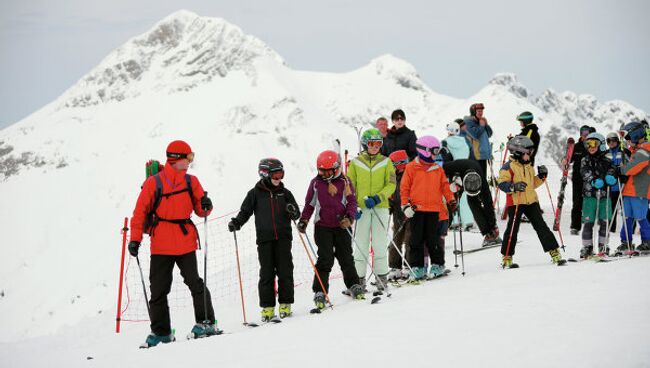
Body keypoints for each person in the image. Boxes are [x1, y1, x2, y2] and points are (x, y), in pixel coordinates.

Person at [128, 140, 216, 347]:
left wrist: (206, 206)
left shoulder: (191, 182)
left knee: (195, 282)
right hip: (161, 244)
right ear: (175, 159)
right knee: (158, 290)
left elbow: (200, 210)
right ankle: (161, 333)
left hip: (185, 241)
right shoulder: (154, 183)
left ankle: (206, 323)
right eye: (189, 157)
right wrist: (135, 239)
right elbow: (139, 213)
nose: (190, 161)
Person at [228, 158, 300, 321]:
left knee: (285, 271)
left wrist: (292, 210)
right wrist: (236, 223)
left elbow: (296, 214)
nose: (278, 178)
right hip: (265, 239)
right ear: (265, 174)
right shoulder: (255, 193)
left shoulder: (285, 193)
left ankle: (285, 304)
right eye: (275, 175)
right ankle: (267, 308)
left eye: (281, 174)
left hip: (283, 238)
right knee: (267, 273)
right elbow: (245, 212)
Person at [298, 150, 365, 311]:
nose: (326, 174)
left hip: (342, 226)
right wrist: (304, 220)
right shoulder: (316, 183)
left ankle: (353, 285)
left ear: (336, 168)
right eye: (322, 171)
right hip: (323, 227)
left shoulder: (345, 182)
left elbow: (352, 203)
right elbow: (309, 204)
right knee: (325, 259)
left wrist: (349, 218)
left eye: (329, 171)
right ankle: (320, 291)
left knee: (346, 257)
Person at [497, 136, 566, 267]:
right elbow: (501, 184)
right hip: (516, 202)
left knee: (541, 226)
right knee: (512, 229)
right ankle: (507, 257)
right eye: (528, 152)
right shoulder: (508, 167)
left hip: (531, 201)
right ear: (519, 152)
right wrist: (513, 187)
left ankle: (554, 252)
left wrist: (541, 177)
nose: (530, 155)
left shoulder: (528, 166)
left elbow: (531, 184)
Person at [400, 135, 456, 280]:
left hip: (433, 210)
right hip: (416, 210)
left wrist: (451, 200)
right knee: (415, 240)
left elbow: (445, 186)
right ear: (424, 150)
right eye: (434, 151)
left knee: (433, 239)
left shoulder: (437, 169)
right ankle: (417, 267)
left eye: (438, 152)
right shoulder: (411, 168)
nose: (436, 155)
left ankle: (438, 264)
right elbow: (404, 188)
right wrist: (405, 205)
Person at [347, 128, 396, 290]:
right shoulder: (355, 163)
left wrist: (378, 198)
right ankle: (358, 280)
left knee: (379, 243)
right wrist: (352, 206)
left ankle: (382, 278)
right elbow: (349, 186)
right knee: (360, 244)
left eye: (378, 143)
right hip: (361, 209)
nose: (375, 146)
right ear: (365, 144)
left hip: (380, 207)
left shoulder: (386, 161)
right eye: (372, 143)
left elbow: (391, 185)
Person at [442, 159, 502, 246]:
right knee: (450, 205)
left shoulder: (482, 181)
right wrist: (450, 182)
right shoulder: (453, 166)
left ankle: (490, 234)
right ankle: (440, 234)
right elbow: (438, 169)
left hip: (471, 177)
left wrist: (494, 225)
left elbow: (488, 204)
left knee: (473, 202)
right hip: (456, 180)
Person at [578, 133, 617, 258]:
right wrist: (593, 180)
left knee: (604, 221)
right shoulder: (585, 159)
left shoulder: (607, 159)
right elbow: (584, 172)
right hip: (590, 195)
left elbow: (613, 169)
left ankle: (603, 245)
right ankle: (587, 246)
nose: (591, 147)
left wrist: (611, 176)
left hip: (605, 195)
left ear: (601, 144)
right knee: (588, 221)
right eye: (588, 144)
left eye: (594, 143)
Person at [619, 121, 650, 253]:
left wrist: (621, 170)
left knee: (641, 217)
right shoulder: (636, 151)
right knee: (627, 217)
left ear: (636, 135)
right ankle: (626, 242)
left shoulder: (644, 151)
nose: (627, 141)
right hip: (629, 191)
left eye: (628, 138)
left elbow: (631, 168)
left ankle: (647, 241)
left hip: (640, 191)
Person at [442, 121, 474, 230]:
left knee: (452, 196)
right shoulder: (464, 142)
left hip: (452, 171)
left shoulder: (445, 142)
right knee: (464, 196)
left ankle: (454, 221)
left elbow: (445, 158)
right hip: (464, 170)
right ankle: (468, 221)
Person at [565, 125, 594, 235]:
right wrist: (566, 160)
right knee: (577, 202)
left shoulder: (593, 146)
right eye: (583, 133)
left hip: (590, 179)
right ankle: (575, 226)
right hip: (577, 179)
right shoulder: (576, 147)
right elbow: (569, 159)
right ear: (580, 134)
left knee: (588, 202)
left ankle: (588, 224)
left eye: (587, 133)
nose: (585, 135)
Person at [387, 150, 411, 280]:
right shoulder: (394, 177)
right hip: (397, 213)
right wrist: (389, 204)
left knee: (409, 240)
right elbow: (392, 193)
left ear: (399, 164)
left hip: (410, 214)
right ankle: (395, 267)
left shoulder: (410, 175)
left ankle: (409, 265)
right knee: (396, 240)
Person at [604, 132, 628, 234]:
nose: (611, 143)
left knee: (625, 209)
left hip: (622, 185)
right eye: (609, 141)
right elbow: (603, 166)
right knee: (610, 208)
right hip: (612, 185)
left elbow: (628, 165)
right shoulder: (605, 154)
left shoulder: (623, 152)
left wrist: (623, 171)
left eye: (613, 140)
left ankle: (627, 229)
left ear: (617, 141)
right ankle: (611, 228)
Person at [463, 103, 494, 176]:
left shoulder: (481, 121)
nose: (481, 113)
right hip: (475, 156)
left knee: (483, 178)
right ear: (473, 112)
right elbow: (475, 135)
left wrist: (486, 124)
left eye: (481, 111)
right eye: (479, 111)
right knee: (477, 179)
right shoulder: (468, 123)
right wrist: (482, 126)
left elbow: (489, 134)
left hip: (483, 156)